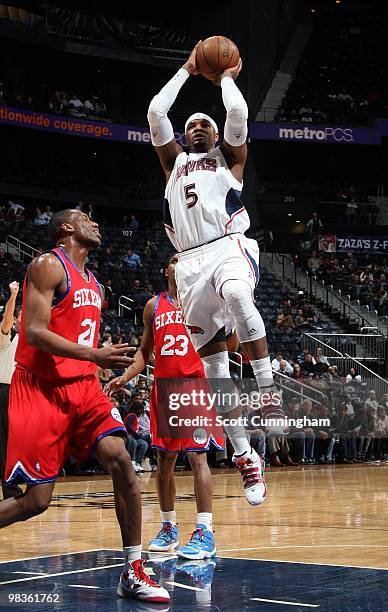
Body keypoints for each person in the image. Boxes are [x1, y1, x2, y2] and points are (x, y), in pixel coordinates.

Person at [0, 209, 169, 603]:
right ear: (66, 227)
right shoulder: (47, 265)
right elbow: (35, 332)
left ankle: (133, 567)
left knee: (122, 460)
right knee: (36, 501)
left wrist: (95, 373)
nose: (95, 222)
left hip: (82, 386)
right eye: (85, 218)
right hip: (40, 387)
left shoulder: (95, 283)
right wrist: (94, 355)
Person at [147, 42, 279, 506]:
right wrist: (186, 69)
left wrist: (224, 77)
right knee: (216, 370)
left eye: (206, 123)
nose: (199, 127)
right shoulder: (173, 164)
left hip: (228, 244)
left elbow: (239, 112)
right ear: (184, 138)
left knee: (242, 298)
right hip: (189, 265)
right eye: (193, 125)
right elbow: (155, 110)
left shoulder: (231, 160)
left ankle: (267, 391)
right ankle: (245, 456)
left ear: (217, 135)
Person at [105, 253, 224, 559]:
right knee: (165, 462)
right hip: (164, 390)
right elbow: (145, 353)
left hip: (193, 386)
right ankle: (169, 526)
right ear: (166, 268)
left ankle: (205, 531)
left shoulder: (202, 301)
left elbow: (228, 344)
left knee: (198, 457)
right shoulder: (153, 306)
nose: (178, 263)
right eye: (173, 259)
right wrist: (125, 377)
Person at [0, 281, 23, 500]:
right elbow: (6, 321)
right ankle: (10, 489)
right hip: (3, 392)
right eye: (20, 316)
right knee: (6, 444)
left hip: (19, 394)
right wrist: (13, 295)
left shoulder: (30, 342)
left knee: (12, 443)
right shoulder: (8, 337)